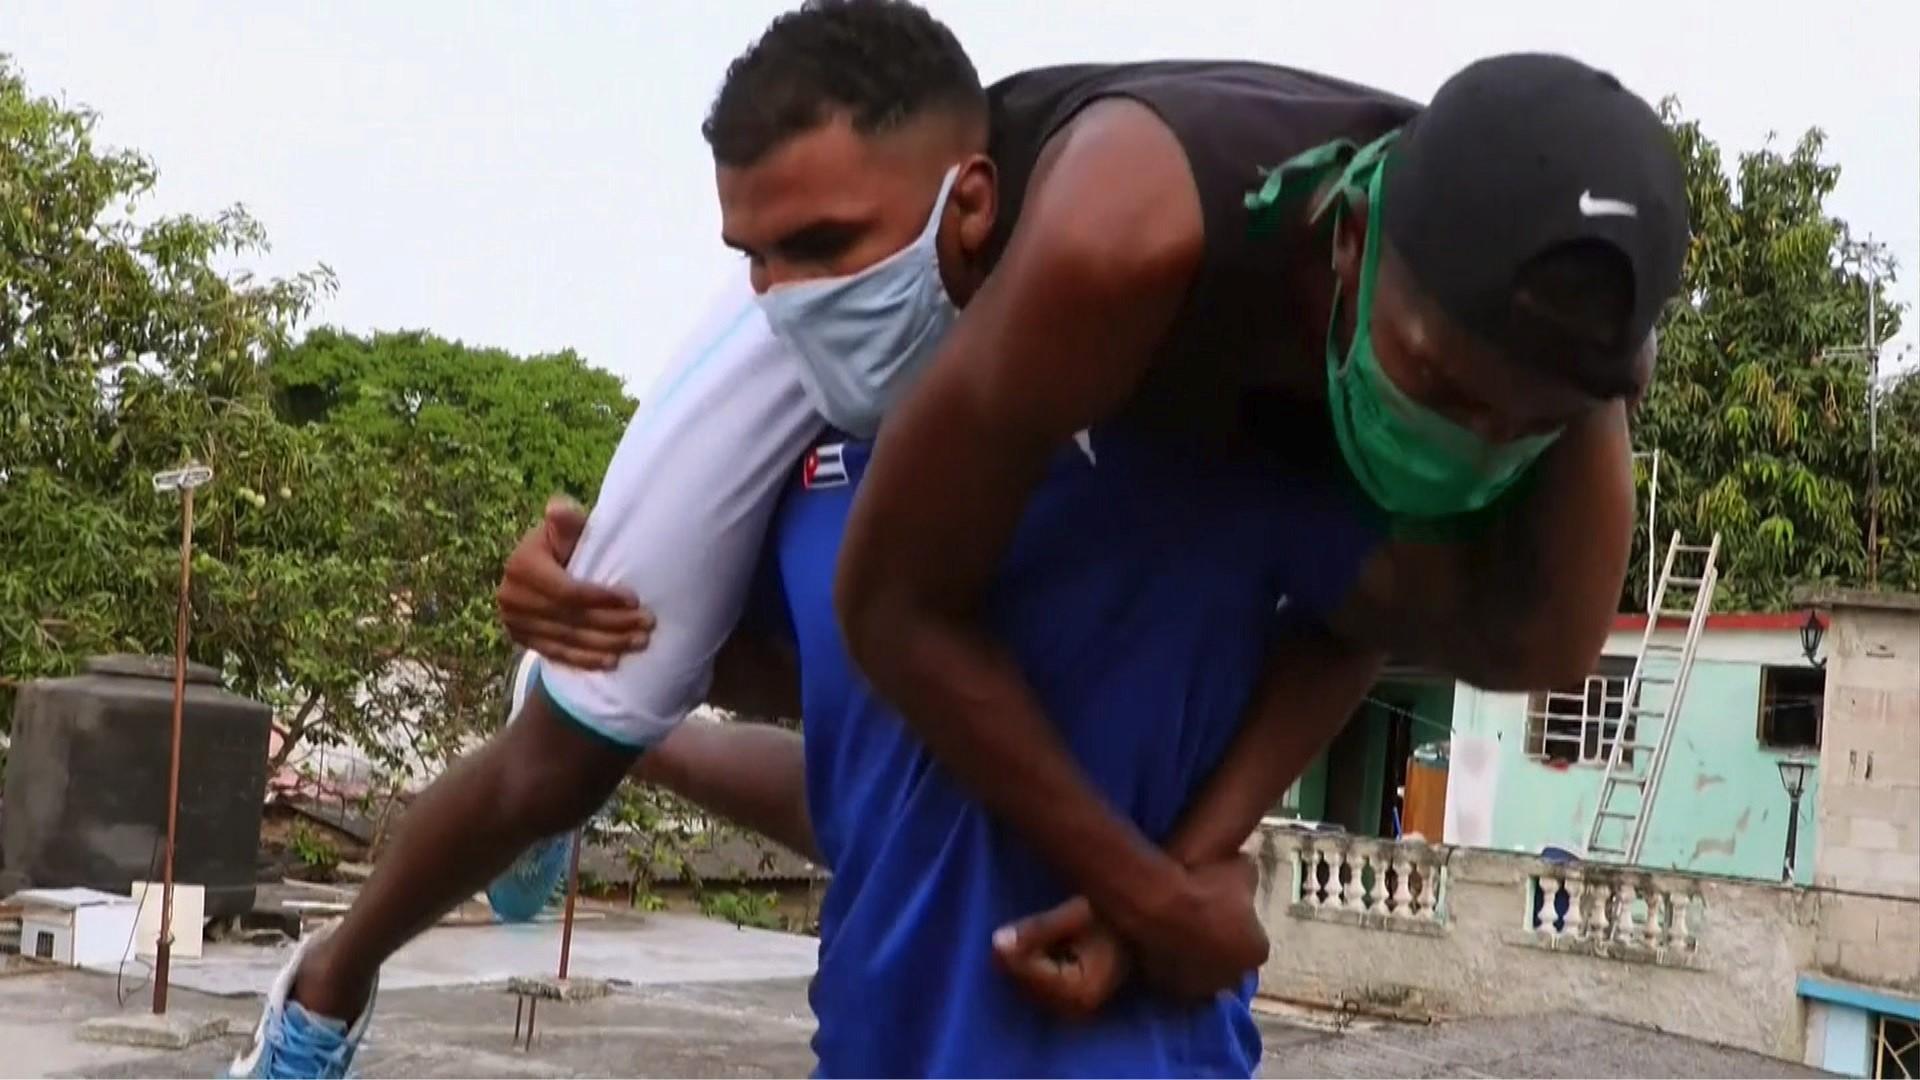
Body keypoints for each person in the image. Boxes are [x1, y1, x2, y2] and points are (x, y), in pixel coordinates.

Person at [507, 0, 1685, 1000]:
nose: (1464, 446)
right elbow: (893, 606)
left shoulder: (1555, 353)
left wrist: (1182, 866)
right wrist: (1155, 897)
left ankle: (638, 741)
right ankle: (375, 944)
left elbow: (1493, 630)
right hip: (906, 255)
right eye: (1435, 385)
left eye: (1519, 430)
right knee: (614, 623)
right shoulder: (1117, 236)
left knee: (999, 726)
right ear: (1353, 247)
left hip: (1186, 369)